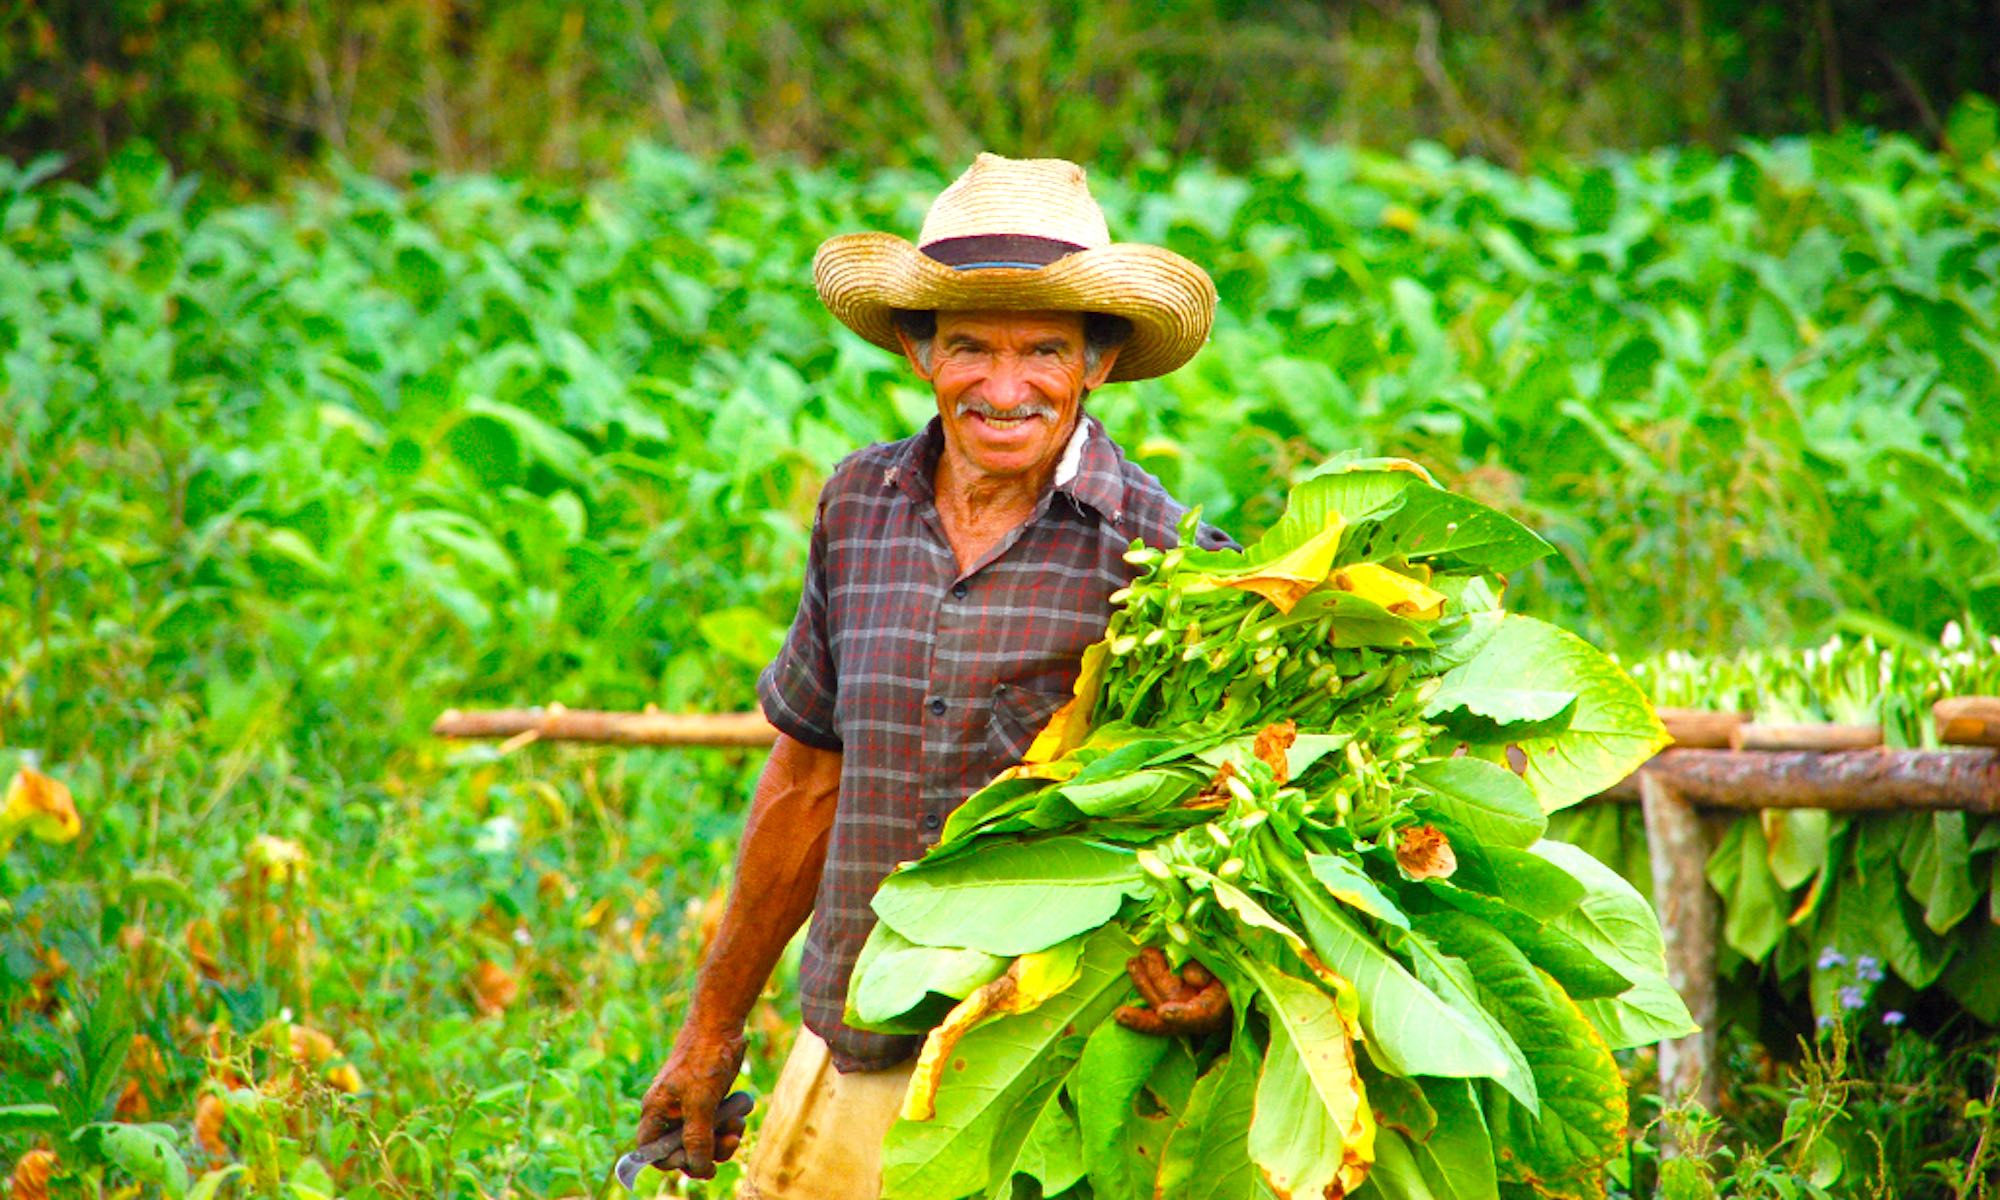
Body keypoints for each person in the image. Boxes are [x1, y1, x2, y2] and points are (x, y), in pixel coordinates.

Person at [636, 153, 1235, 1200]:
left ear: (1095, 362)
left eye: (1043, 350)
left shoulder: (1165, 558)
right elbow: (805, 779)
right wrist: (711, 1025)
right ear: (919, 353)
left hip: (1044, 1065)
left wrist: (1217, 977)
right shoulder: (858, 506)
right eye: (969, 348)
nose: (1004, 390)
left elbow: (1227, 812)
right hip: (859, 1032)